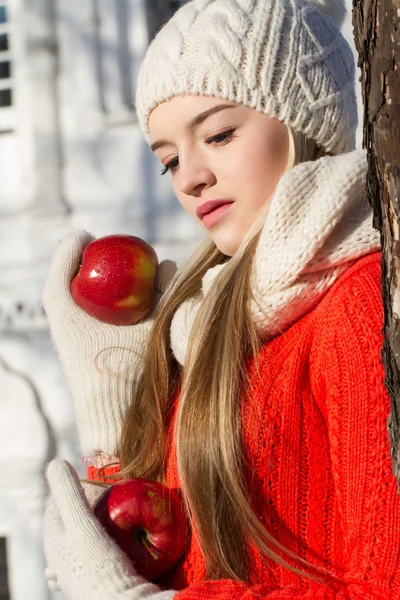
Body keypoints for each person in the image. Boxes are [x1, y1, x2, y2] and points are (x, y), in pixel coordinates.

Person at [41, 0, 400, 598]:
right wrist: (112, 421)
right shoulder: (200, 322)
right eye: (170, 161)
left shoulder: (355, 304)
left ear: (301, 123)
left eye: (219, 134)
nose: (189, 178)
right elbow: (180, 551)